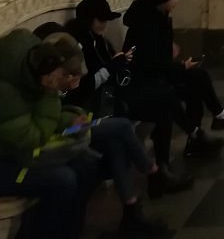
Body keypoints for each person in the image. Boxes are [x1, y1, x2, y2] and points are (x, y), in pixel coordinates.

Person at [63, 0, 194, 202]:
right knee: (159, 100)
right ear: (89, 19)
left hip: (113, 93)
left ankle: (162, 166)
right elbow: (84, 86)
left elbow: (112, 69)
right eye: (101, 20)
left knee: (164, 105)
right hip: (99, 103)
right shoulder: (80, 46)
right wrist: (113, 68)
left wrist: (123, 62)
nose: (104, 25)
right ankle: (159, 169)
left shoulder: (99, 41)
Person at [33, 25, 168, 236]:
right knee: (121, 126)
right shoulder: (42, 83)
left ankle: (131, 210)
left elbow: (63, 110)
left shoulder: (58, 78)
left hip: (73, 127)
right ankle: (152, 171)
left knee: (116, 140)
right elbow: (46, 121)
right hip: (59, 137)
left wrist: (72, 115)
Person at [0, 29, 101, 239]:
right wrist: (50, 93)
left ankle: (69, 233)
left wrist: (71, 120)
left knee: (87, 163)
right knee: (61, 180)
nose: (66, 80)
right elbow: (32, 138)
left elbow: (36, 119)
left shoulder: (28, 75)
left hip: (5, 152)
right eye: (64, 76)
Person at [123, 0, 224, 157]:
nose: (177, 2)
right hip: (147, 79)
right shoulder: (147, 23)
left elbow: (158, 53)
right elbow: (151, 62)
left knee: (198, 78)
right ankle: (206, 128)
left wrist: (171, 52)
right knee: (193, 83)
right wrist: (181, 66)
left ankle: (215, 121)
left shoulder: (155, 15)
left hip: (157, 72)